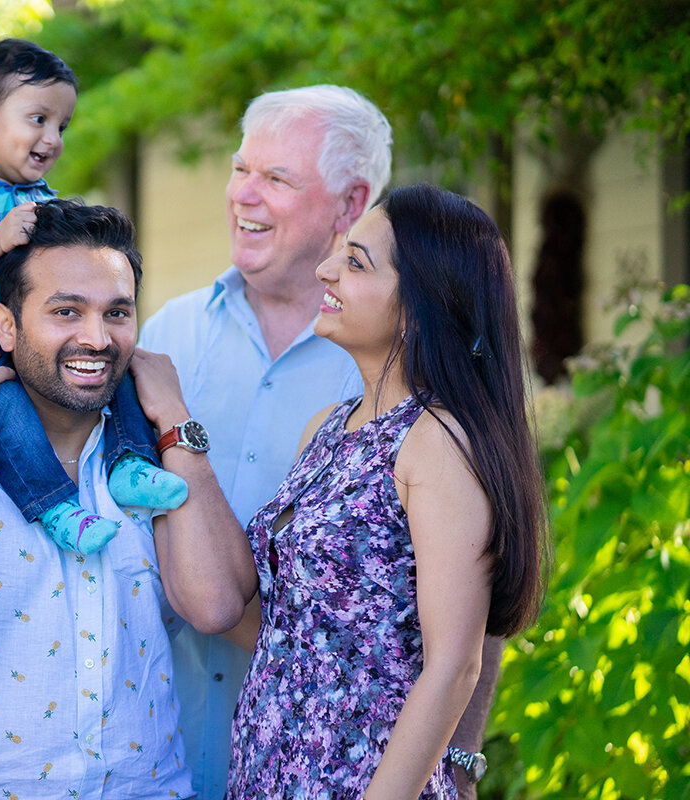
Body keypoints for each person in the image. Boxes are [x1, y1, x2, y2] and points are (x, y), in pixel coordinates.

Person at [140, 85, 500, 799]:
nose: (245, 194)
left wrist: (455, 767)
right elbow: (300, 614)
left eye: (276, 178)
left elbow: (467, 635)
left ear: (348, 201)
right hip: (190, 754)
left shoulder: (433, 428)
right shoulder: (168, 340)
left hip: (356, 775)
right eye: (241, 169)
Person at [0, 199, 257, 798]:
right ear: (7, 325)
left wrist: (176, 418)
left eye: (116, 313)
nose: (96, 338)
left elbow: (217, 606)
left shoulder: (154, 451)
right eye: (66, 311)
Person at [226, 183, 549, 798]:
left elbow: (456, 665)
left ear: (421, 305)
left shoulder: (437, 442)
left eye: (355, 262)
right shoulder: (326, 428)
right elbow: (291, 621)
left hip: (364, 781)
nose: (326, 270)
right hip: (268, 771)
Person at [0, 37, 184, 557]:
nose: (52, 138)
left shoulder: (44, 198)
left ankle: (130, 465)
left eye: (61, 126)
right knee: (8, 422)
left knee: (112, 366)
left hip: (38, 340)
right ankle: (56, 507)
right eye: (38, 119)